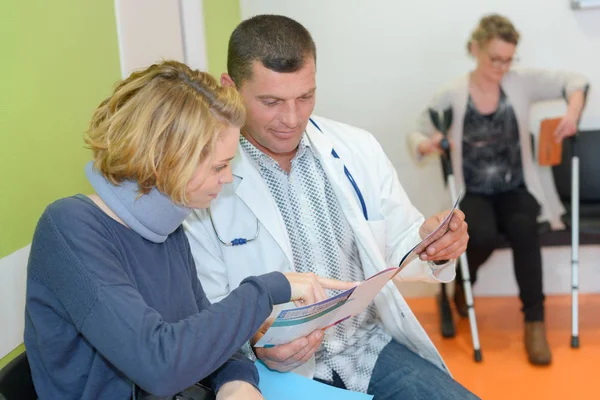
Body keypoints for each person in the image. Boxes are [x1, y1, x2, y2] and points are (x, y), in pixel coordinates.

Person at [23, 60, 355, 400]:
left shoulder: (167, 231)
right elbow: (159, 364)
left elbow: (203, 337)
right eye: (219, 166)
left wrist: (236, 384)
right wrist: (267, 290)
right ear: (166, 161)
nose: (227, 179)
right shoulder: (70, 228)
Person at [184, 15, 476, 399]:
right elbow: (204, 308)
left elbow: (402, 242)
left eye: (305, 97)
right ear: (230, 88)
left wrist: (432, 245)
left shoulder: (357, 148)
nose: (291, 119)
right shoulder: (203, 176)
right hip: (269, 368)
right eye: (271, 102)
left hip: (367, 348)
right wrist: (257, 337)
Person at [408, 14, 589, 366]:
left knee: (525, 228)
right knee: (482, 235)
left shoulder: (521, 83)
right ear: (475, 49)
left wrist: (573, 111)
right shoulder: (453, 94)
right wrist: (428, 144)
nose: (503, 67)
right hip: (473, 191)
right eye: (495, 59)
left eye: (509, 59)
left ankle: (534, 322)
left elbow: (576, 80)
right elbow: (416, 131)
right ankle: (461, 284)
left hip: (516, 188)